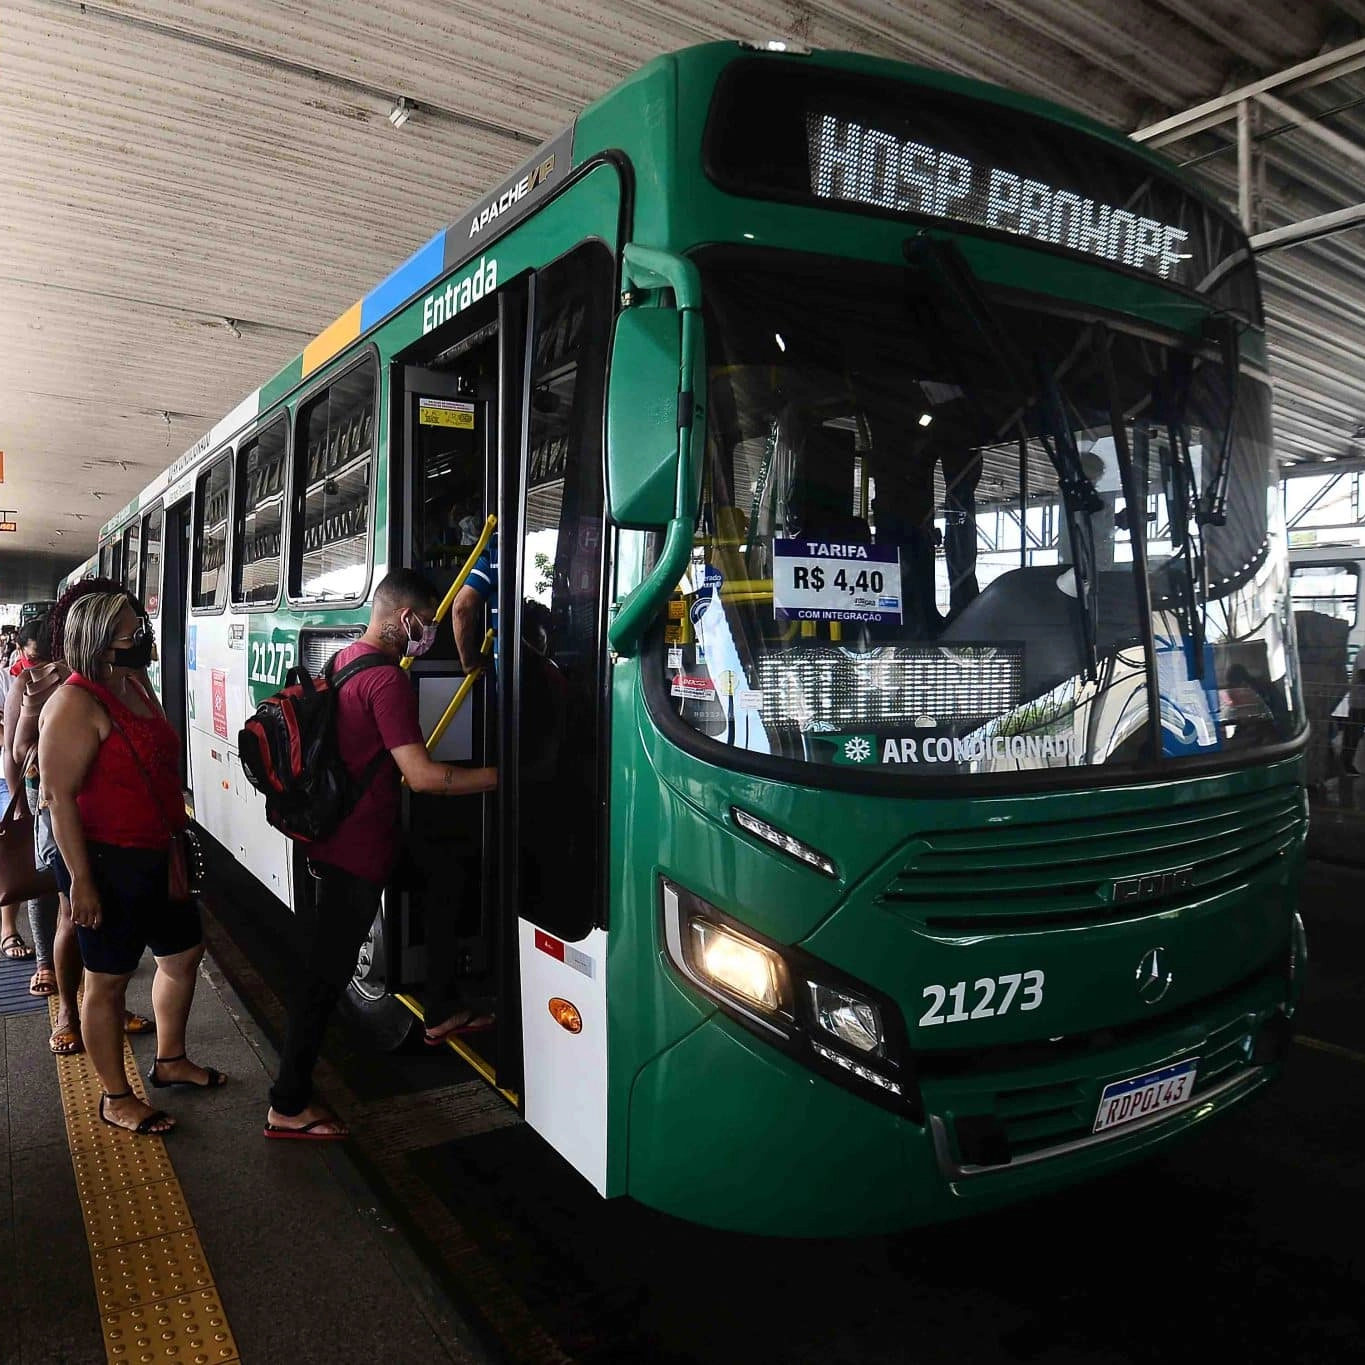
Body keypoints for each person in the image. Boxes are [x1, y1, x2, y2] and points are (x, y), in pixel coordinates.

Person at [265, 568, 496, 1140]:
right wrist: (501, 778)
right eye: (428, 626)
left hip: (354, 841)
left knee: (442, 873)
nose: (431, 636)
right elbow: (421, 777)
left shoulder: (345, 659)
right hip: (357, 855)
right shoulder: (388, 681)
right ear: (405, 620)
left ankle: (440, 1009)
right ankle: (286, 1106)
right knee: (324, 981)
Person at [40, 592, 225, 1137]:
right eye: (128, 632)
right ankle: (115, 1097)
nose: (140, 637)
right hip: (108, 860)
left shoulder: (136, 685)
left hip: (158, 852)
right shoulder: (75, 704)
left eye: (138, 626)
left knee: (184, 952)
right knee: (108, 981)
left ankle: (169, 1060)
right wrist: (82, 883)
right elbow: (59, 799)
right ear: (98, 638)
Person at [3, 612, 62, 998]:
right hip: (42, 796)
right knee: (45, 880)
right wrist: (20, 801)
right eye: (35, 659)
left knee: (72, 889)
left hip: (79, 796)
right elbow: (12, 750)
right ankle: (45, 963)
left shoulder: (79, 677)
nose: (42, 667)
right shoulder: (23, 683)